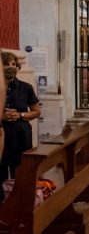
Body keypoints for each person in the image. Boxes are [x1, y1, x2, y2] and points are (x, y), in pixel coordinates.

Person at [1, 52, 40, 190]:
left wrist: (20, 115)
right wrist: (2, 116)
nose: (10, 67)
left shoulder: (26, 88)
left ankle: (20, 199)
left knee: (20, 170)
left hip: (21, 134)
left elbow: (36, 111)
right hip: (2, 134)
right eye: (6, 64)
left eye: (13, 64)